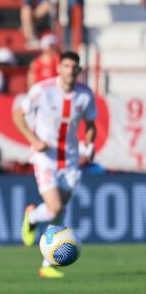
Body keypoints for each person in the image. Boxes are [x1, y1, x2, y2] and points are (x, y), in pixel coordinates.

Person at [13, 51, 97, 279]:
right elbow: (18, 115)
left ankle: (48, 263)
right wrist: (33, 140)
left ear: (79, 70)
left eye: (74, 67)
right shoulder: (43, 90)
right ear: (59, 68)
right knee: (56, 207)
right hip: (45, 158)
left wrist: (90, 144)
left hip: (69, 160)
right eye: (66, 66)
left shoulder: (85, 95)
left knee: (58, 211)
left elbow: (91, 124)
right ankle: (31, 218)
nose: (70, 71)